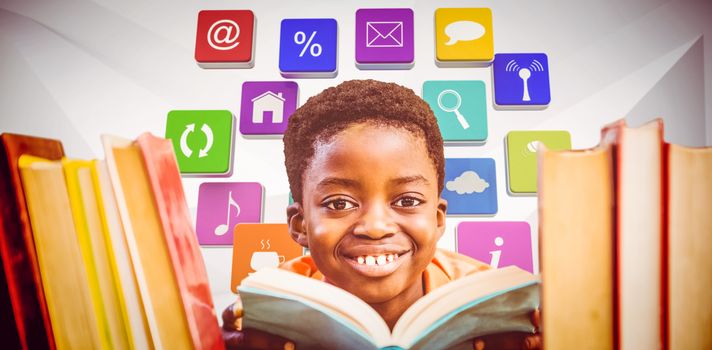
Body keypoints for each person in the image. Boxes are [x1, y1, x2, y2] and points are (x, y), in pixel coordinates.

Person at [222, 79, 541, 350]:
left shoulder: (491, 302)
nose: (375, 228)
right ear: (301, 224)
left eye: (407, 200)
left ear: (438, 218)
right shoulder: (273, 304)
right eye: (338, 204)